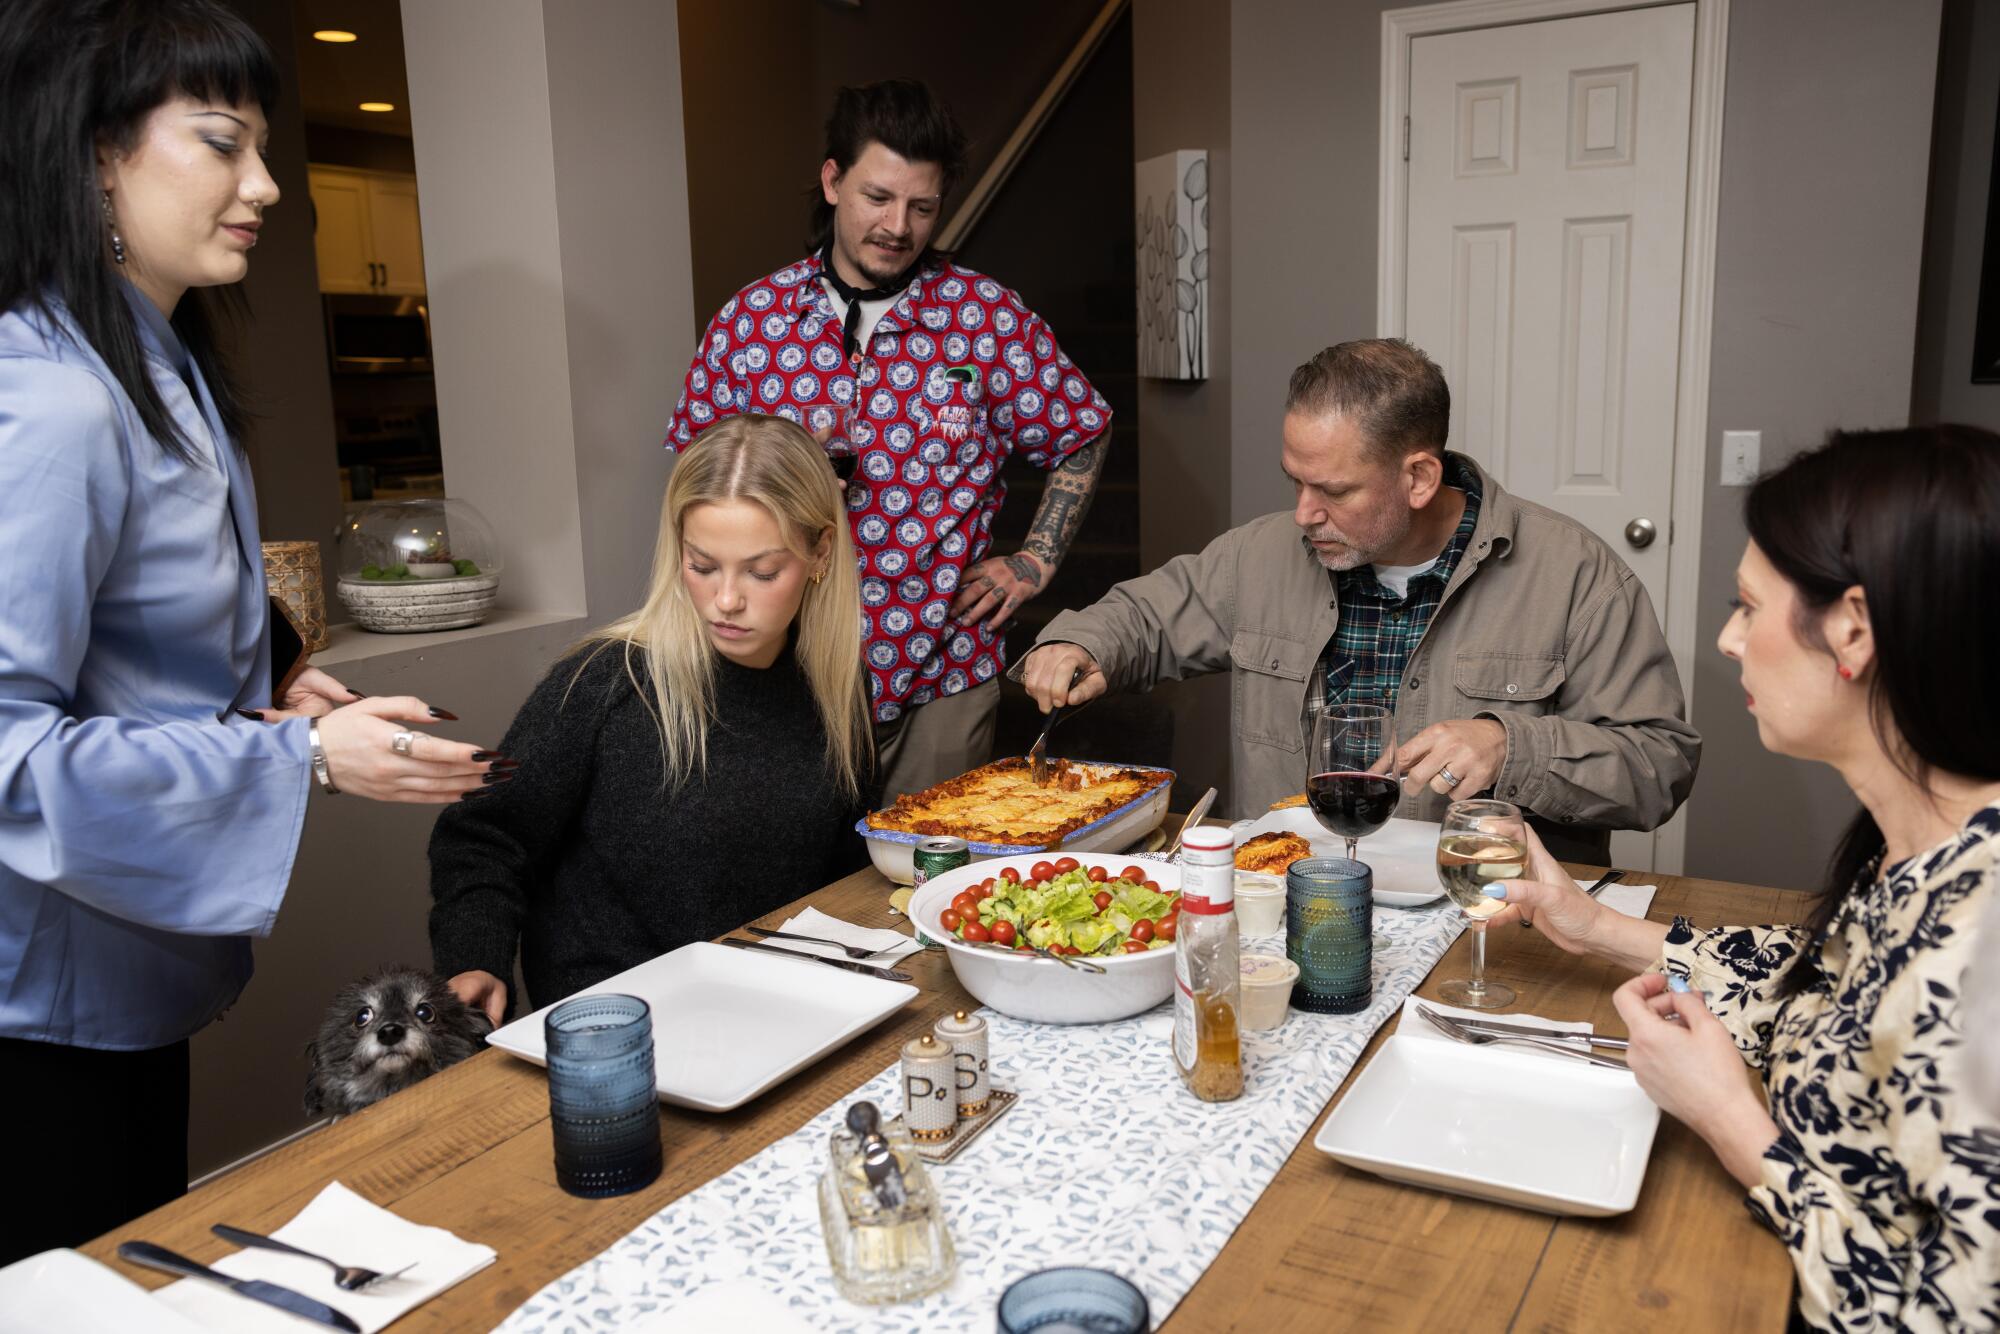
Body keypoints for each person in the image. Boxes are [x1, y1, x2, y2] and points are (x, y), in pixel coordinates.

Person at [0, 0, 495, 1264]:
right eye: (223, 142)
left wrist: (281, 678)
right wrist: (303, 761)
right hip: (32, 1007)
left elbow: (143, 604)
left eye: (263, 148)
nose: (267, 185)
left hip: (122, 968)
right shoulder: (51, 400)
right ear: (97, 150)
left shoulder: (154, 358)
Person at [1493, 425, 2000, 1331]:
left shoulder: (1980, 952)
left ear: (1852, 631)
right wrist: (1592, 926)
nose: (1727, 641)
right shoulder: (1926, 838)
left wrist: (1731, 1121)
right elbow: (1837, 994)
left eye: (1747, 607)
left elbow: (1946, 1315)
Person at [1017, 339, 1696, 858]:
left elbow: (1658, 766)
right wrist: (1083, 641)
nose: (1305, 514)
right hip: (1292, 896)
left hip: (1481, 916)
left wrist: (1510, 747)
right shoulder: (1260, 556)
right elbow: (1145, 615)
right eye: (1295, 482)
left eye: (1335, 492)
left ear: (1420, 477)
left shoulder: (1576, 575)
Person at [665, 79, 1114, 804]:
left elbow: (1082, 430)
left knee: (927, 877)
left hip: (944, 670)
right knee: (795, 883)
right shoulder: (751, 321)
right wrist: (776, 482)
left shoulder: (987, 318)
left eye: (923, 206)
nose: (899, 226)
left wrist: (1033, 562)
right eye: (878, 197)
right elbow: (694, 473)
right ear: (834, 180)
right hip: (786, 669)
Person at [431, 415, 873, 1024]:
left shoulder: (837, 687)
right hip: (619, 1027)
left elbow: (844, 861)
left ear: (821, 551)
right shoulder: (605, 682)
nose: (726, 600)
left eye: (762, 572)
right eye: (702, 565)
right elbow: (485, 836)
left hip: (775, 1007)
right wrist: (475, 957)